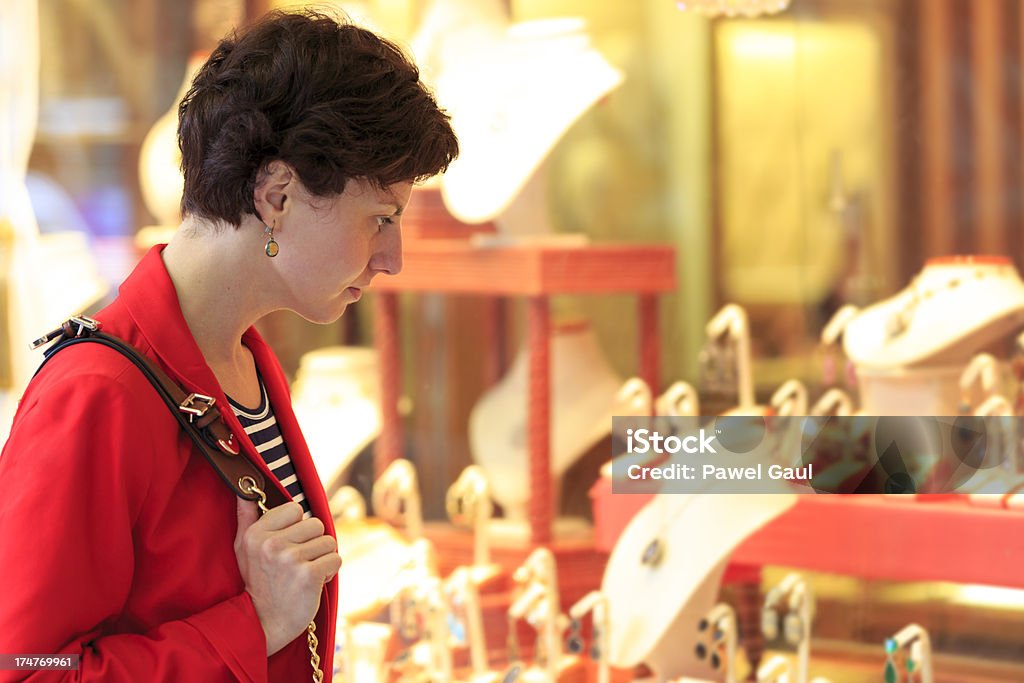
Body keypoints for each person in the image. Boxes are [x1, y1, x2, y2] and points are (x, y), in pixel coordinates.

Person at [0, 9, 458, 682]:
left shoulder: (244, 359)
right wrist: (253, 623)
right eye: (381, 218)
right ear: (277, 194)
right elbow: (24, 665)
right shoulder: (97, 394)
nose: (392, 257)